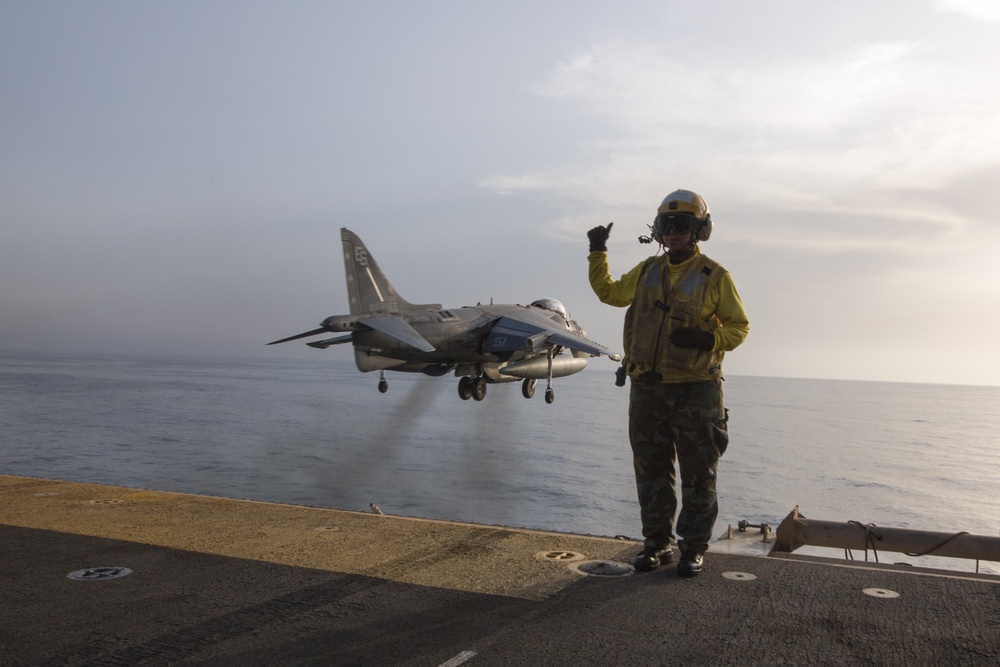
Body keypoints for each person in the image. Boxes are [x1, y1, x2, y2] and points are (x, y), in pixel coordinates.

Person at [586, 189, 749, 577]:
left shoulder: (715, 276)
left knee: (699, 471)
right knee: (651, 470)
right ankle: (657, 543)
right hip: (648, 389)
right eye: (666, 225)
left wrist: (709, 340)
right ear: (657, 230)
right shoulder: (646, 272)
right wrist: (597, 252)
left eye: (682, 225)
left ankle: (694, 546)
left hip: (696, 388)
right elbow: (610, 293)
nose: (672, 232)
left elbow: (739, 326)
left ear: (699, 230)